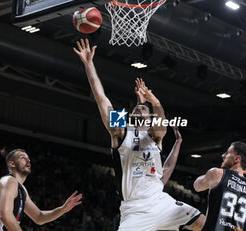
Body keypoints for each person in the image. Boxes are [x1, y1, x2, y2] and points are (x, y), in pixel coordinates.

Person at [73, 38, 205, 231]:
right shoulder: (121, 129)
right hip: (134, 210)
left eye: (144, 108)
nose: (139, 108)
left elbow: (162, 132)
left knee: (206, 223)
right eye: (137, 107)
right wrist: (89, 64)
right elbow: (102, 98)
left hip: (161, 203)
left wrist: (155, 101)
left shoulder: (155, 136)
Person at [0, 149, 82, 231]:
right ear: (12, 164)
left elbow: (39, 217)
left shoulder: (22, 189)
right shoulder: (9, 181)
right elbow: (6, 216)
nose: (28, 161)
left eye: (29, 159)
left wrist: (62, 209)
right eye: (23, 158)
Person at [193, 142, 246, 231]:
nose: (223, 155)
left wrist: (221, 172)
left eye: (227, 153)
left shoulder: (217, 173)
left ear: (237, 159)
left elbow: (197, 186)